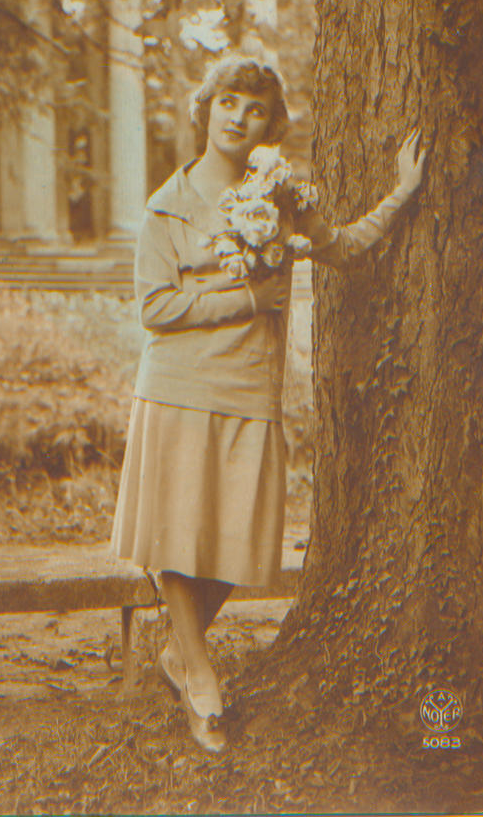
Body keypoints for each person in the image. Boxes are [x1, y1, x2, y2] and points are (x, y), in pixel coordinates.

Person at [111, 54, 426, 753]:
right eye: (229, 101)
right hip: (177, 384)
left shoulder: (280, 195)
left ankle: (177, 652)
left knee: (235, 539)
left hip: (251, 385)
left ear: (270, 124)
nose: (239, 118)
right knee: (172, 531)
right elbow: (156, 308)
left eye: (256, 109)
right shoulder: (168, 204)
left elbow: (342, 249)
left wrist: (404, 193)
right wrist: (246, 298)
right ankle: (198, 673)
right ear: (208, 107)